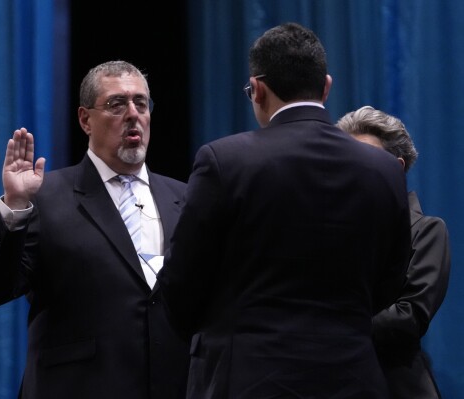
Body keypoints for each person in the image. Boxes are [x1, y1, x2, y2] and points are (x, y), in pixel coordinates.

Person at [157, 22, 412, 398]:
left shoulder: (224, 160)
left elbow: (181, 285)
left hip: (251, 379)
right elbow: (391, 279)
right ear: (326, 86)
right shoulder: (386, 169)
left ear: (257, 89)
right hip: (354, 379)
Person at [0, 60, 189, 399]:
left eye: (141, 103)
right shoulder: (44, 196)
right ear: (85, 119)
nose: (133, 114)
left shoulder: (184, 197)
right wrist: (14, 205)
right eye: (117, 104)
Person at [337, 105, 451, 398]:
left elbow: (408, 317)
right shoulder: (329, 228)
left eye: (364, 159)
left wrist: (333, 331)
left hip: (396, 386)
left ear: (396, 168)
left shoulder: (426, 230)